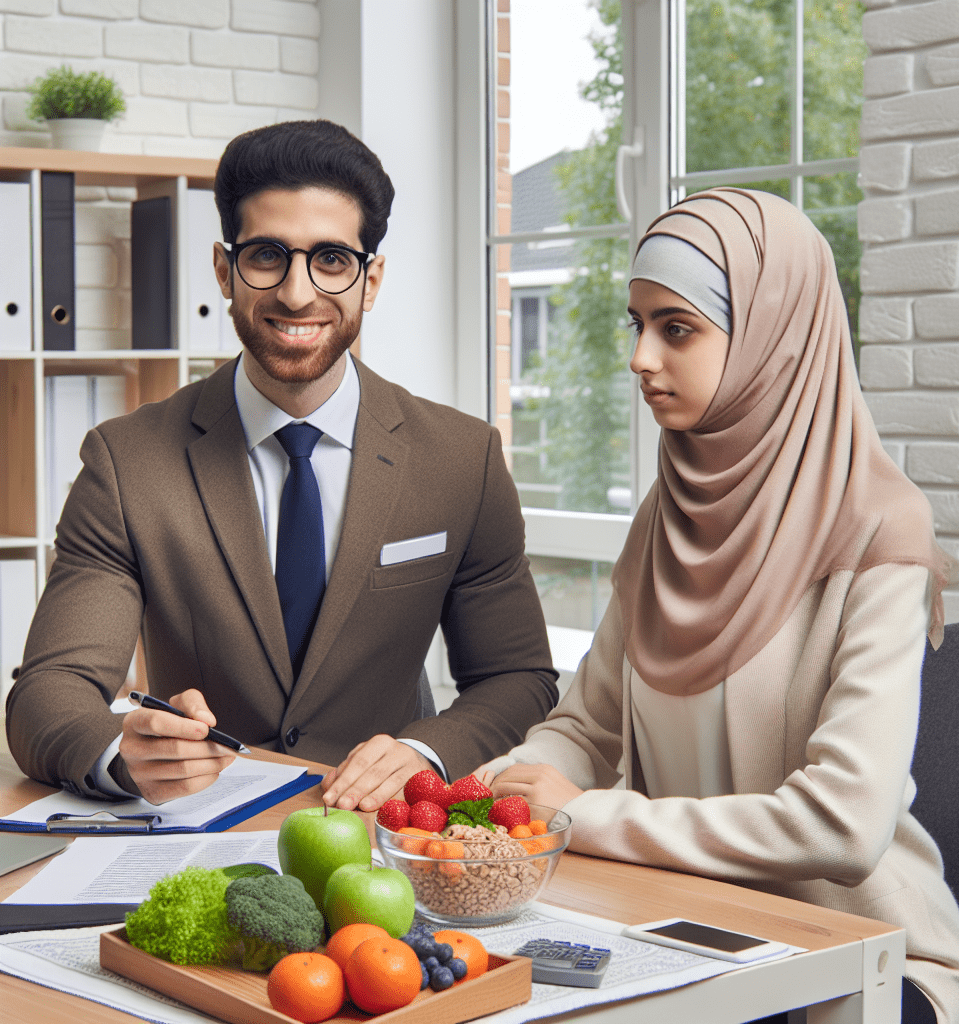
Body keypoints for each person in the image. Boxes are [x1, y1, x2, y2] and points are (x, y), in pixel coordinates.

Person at [477, 189, 959, 1024]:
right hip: (684, 942)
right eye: (634, 325)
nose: (640, 357)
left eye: (677, 329)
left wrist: (583, 815)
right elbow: (586, 729)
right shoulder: (668, 514)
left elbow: (842, 827)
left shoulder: (882, 527)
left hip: (857, 966)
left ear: (774, 341)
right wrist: (484, 796)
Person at [6, 119, 557, 810]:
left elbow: (518, 676)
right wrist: (123, 753)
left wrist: (422, 754)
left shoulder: (462, 459)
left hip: (383, 834)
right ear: (224, 271)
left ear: (371, 279)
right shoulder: (127, 462)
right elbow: (49, 689)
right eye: (268, 255)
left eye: (331, 260)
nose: (298, 293)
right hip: (203, 835)